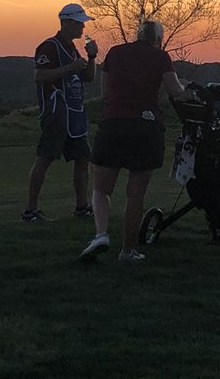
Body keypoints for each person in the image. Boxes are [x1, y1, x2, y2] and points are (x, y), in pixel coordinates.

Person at [80, 19, 191, 263]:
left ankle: (101, 233)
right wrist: (187, 91)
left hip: (114, 124)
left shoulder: (115, 53)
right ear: (158, 39)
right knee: (135, 194)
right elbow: (175, 90)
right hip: (145, 127)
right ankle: (128, 250)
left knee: (101, 188)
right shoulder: (160, 57)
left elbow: (106, 93)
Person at [23, 4, 99, 223]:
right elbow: (40, 76)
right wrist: (70, 68)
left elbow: (89, 77)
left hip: (75, 113)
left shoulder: (72, 48)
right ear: (66, 23)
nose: (82, 27)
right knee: (45, 158)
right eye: (78, 23)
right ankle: (30, 210)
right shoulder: (49, 46)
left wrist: (91, 58)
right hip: (56, 111)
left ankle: (82, 206)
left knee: (83, 158)